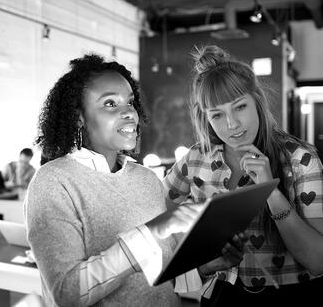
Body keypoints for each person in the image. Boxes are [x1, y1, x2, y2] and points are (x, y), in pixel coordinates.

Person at [24, 53, 246, 307]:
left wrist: (205, 267)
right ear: (79, 117)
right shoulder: (53, 182)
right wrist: (144, 239)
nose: (129, 112)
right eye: (110, 103)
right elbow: (66, 293)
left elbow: (158, 277)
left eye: (130, 102)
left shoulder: (147, 179)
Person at [163, 45, 323, 306]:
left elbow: (318, 261)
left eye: (239, 107)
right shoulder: (196, 159)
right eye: (217, 115)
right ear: (206, 119)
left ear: (257, 100)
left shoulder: (300, 158)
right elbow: (156, 221)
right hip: (223, 295)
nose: (232, 124)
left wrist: (272, 192)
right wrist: (198, 252)